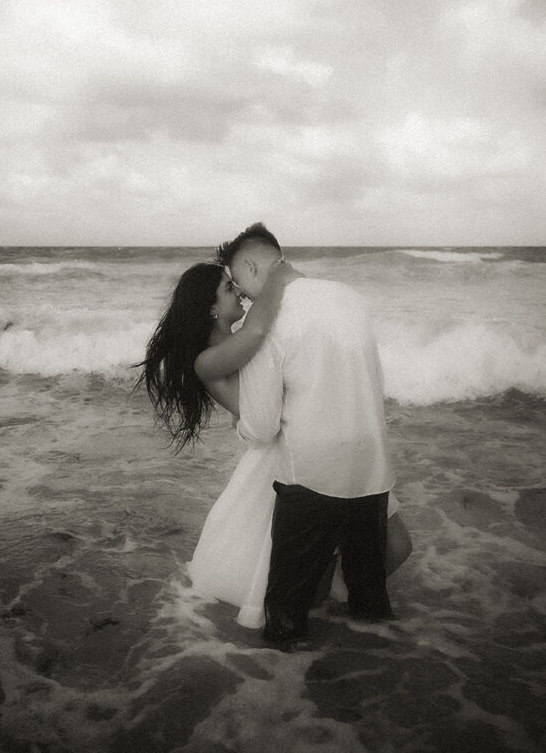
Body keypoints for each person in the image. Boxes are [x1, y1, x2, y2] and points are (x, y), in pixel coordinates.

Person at [138, 253, 411, 631]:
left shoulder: (247, 342)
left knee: (396, 547)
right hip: (286, 461)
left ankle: (337, 597)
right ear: (211, 308)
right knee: (303, 577)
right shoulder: (210, 360)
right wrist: (279, 280)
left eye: (236, 284)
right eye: (228, 288)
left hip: (315, 445)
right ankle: (333, 613)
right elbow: (258, 336)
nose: (239, 294)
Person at [214, 222, 397, 645]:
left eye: (239, 284)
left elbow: (261, 427)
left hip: (311, 479)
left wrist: (239, 423)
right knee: (370, 607)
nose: (243, 296)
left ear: (249, 265)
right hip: (372, 473)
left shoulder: (269, 319)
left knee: (285, 625)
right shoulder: (351, 298)